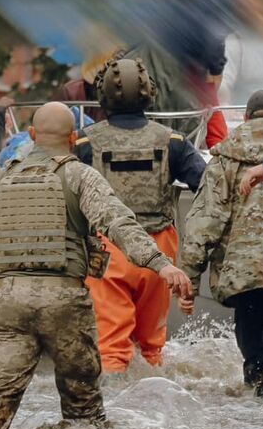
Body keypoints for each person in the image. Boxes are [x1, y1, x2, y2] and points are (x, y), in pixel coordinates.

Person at [0, 102, 193, 429]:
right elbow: (117, 223)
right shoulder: (80, 175)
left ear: (32, 135)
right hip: (64, 301)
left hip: (8, 301)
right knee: (83, 414)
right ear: (73, 138)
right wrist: (162, 263)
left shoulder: (2, 177)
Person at [74, 58, 206, 371]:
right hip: (159, 253)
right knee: (152, 345)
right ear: (150, 93)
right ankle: (155, 394)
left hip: (105, 251)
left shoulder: (83, 142)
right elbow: (207, 186)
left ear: (102, 96)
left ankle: (114, 399)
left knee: (110, 345)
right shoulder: (173, 142)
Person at [181, 89, 263, 398]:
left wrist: (189, 281)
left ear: (245, 118)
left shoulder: (223, 158)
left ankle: (252, 412)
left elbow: (204, 224)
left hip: (241, 277)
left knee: (255, 362)